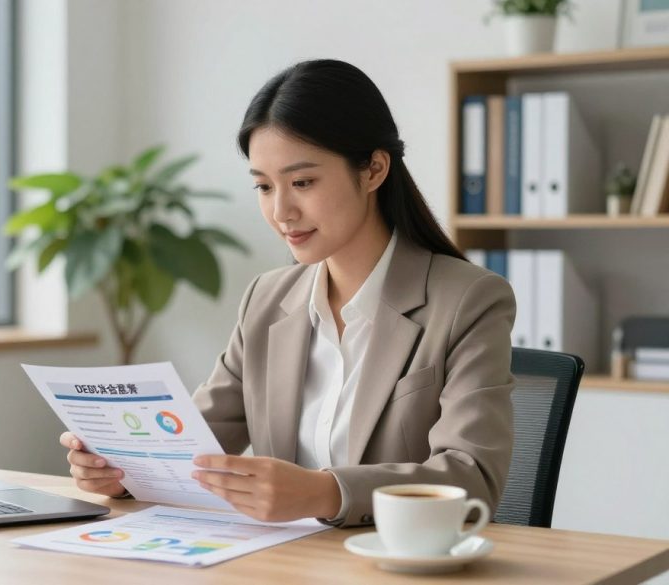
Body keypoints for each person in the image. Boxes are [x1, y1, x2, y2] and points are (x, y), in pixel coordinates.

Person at [59, 59, 515, 527]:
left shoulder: (469, 300)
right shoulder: (267, 298)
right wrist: (122, 470)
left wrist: (325, 492)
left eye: (302, 182)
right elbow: (192, 448)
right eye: (263, 186)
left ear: (375, 169)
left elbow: (472, 477)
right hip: (281, 563)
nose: (281, 212)